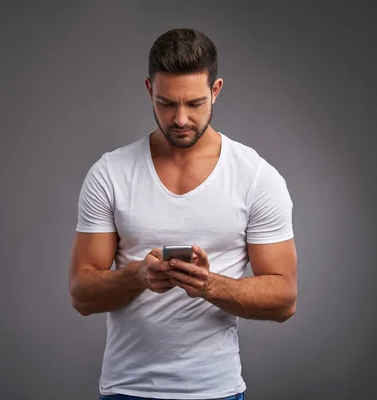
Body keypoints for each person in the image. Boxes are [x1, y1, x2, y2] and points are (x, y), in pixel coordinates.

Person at [69, 28, 298, 400]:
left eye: (194, 103)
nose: (179, 119)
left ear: (216, 90)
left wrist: (209, 286)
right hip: (126, 390)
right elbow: (82, 294)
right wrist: (138, 275)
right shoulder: (110, 173)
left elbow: (285, 298)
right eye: (166, 103)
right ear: (148, 90)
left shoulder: (255, 177)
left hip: (215, 391)